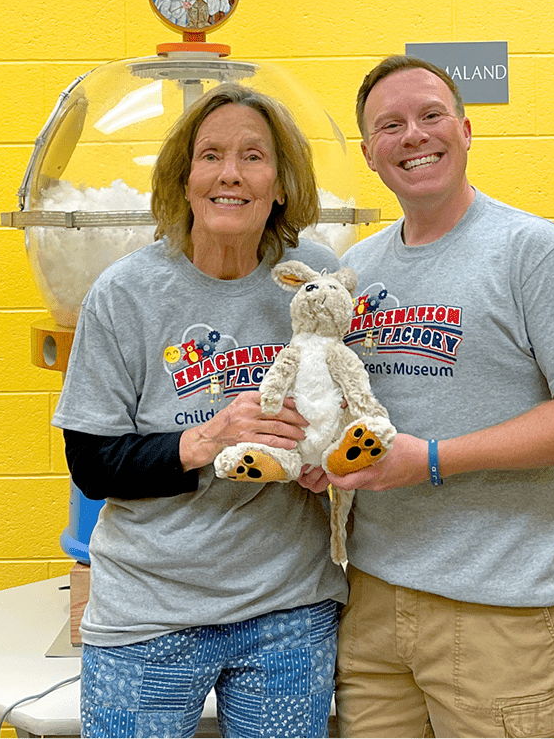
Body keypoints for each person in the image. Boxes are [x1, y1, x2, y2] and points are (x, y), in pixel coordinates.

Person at [298, 55, 554, 739]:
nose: (412, 135)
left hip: (497, 610)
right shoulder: (357, 268)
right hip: (371, 600)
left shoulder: (535, 251)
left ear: (466, 129)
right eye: (389, 125)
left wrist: (435, 458)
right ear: (368, 152)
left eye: (430, 115)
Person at [52, 83, 348, 739]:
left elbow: (351, 407)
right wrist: (206, 439)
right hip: (149, 612)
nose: (230, 174)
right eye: (210, 155)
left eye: (253, 155)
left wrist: (329, 461)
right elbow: (93, 465)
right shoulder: (124, 294)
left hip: (288, 609)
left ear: (279, 181)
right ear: (182, 179)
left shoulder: (316, 278)